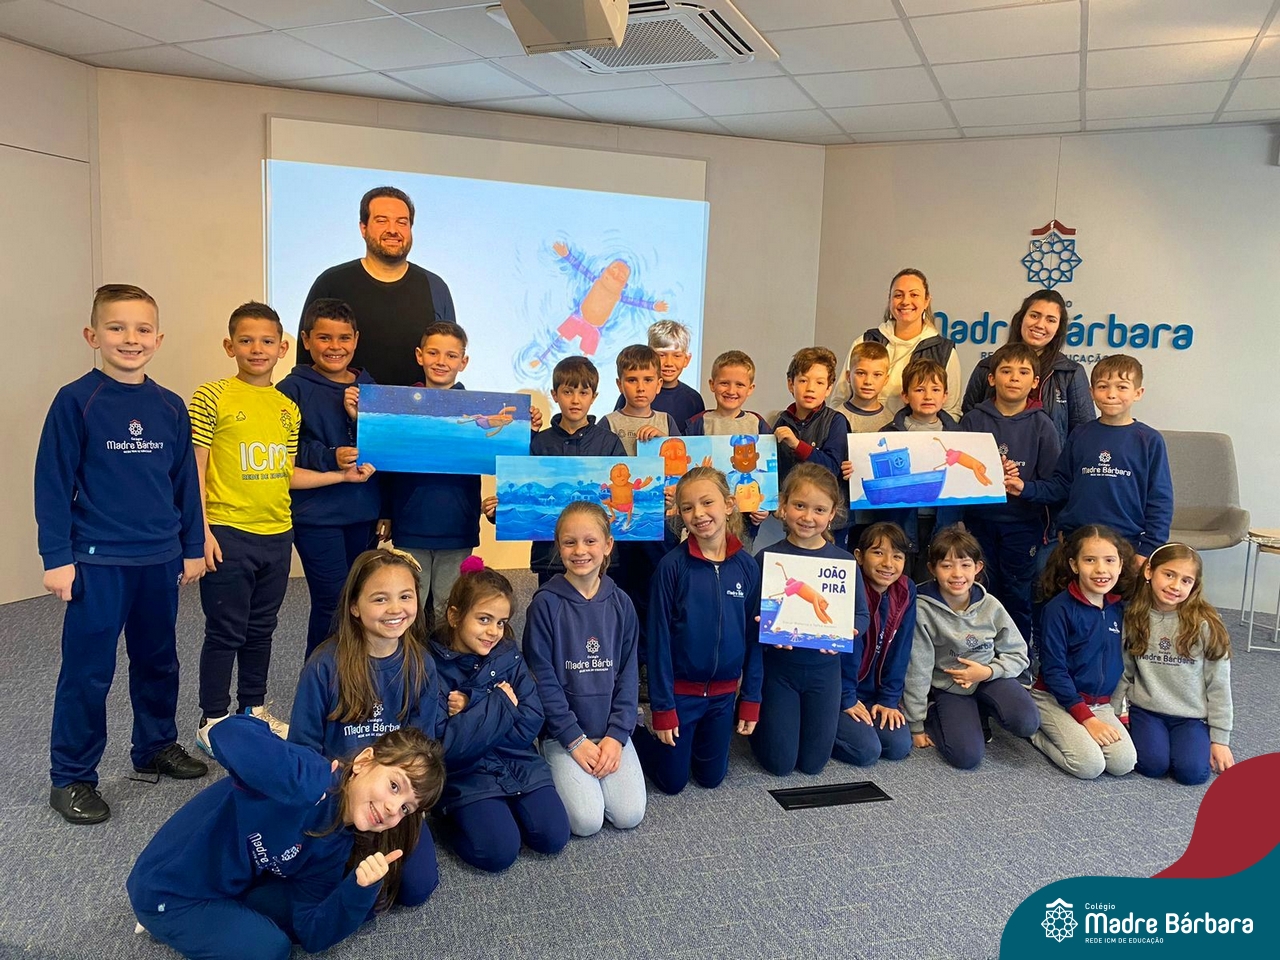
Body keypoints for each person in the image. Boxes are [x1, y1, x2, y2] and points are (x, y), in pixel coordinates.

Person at [37, 284, 208, 825]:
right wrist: (56, 557)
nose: (130, 339)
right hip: (97, 560)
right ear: (93, 336)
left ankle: (154, 745)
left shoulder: (170, 405)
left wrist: (192, 547)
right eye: (116, 328)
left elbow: (185, 484)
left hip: (159, 558)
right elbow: (52, 482)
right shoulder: (75, 400)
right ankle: (71, 775)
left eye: (141, 329)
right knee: (88, 671)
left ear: (158, 339)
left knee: (159, 660)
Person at [193, 302, 374, 755]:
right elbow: (195, 469)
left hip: (278, 531)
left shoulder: (284, 407)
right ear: (229, 346)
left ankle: (252, 709)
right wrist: (200, 530)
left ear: (282, 347)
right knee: (226, 630)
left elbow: (287, 472)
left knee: (262, 628)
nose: (257, 349)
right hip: (228, 530)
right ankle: (213, 720)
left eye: (267, 341)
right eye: (247, 340)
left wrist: (340, 476)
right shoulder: (212, 396)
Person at [128, 714, 445, 960]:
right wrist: (297, 777)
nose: (392, 809)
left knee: (290, 923)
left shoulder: (337, 842)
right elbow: (225, 732)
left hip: (231, 883)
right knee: (271, 949)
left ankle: (213, 923)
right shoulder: (309, 774)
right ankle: (164, 923)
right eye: (394, 785)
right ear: (363, 762)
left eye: (406, 808)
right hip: (168, 888)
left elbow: (313, 933)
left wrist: (358, 890)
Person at [289, 549, 445, 906]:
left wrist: (405, 805)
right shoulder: (324, 665)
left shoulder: (421, 664)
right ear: (355, 607)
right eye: (380, 599)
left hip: (393, 798)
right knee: (328, 886)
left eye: (405, 597)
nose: (395, 609)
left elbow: (423, 746)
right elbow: (303, 748)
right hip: (338, 797)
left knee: (415, 887)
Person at [431, 561, 570, 872]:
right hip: (467, 775)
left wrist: (475, 705)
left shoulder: (508, 654)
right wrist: (502, 703)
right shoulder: (432, 667)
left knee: (553, 836)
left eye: (501, 622)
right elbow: (447, 747)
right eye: (484, 619)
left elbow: (530, 723)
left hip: (520, 763)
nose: (493, 631)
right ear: (454, 616)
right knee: (498, 853)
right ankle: (447, 818)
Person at [634, 467, 762, 794]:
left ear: (729, 505)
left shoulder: (747, 567)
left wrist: (750, 698)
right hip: (680, 695)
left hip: (723, 697)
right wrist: (662, 708)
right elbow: (658, 642)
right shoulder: (671, 568)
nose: (699, 514)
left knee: (710, 778)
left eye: (707, 503)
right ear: (680, 514)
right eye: (688, 507)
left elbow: (754, 638)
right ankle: (635, 733)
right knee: (672, 783)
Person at [522, 502, 646, 837]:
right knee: (586, 821)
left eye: (590, 541)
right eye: (569, 542)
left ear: (608, 545)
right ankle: (551, 758)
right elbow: (542, 680)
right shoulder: (544, 605)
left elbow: (628, 675)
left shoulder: (622, 604)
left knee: (629, 814)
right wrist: (573, 740)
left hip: (609, 731)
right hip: (563, 734)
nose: (580, 551)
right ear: (558, 546)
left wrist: (617, 736)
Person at [277, 298, 382, 658]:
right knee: (332, 602)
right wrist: (329, 457)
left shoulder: (371, 388)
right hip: (316, 514)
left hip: (363, 512)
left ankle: (354, 676)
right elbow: (284, 450)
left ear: (356, 340)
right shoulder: (291, 390)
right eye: (324, 338)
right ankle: (319, 679)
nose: (335, 347)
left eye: (343, 338)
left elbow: (385, 449)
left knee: (362, 601)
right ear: (306, 340)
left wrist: (385, 509)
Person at [750, 464, 868, 776]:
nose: (807, 517)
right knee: (780, 765)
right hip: (779, 670)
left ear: (832, 514)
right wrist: (762, 625)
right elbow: (752, 614)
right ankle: (759, 722)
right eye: (799, 506)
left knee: (813, 765)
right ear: (783, 506)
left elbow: (862, 615)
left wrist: (850, 631)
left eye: (819, 510)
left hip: (825, 673)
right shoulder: (766, 558)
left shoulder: (844, 562)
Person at [1006, 354, 1172, 568]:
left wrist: (1148, 548)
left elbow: (1160, 500)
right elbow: (1061, 485)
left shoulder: (1149, 440)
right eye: (1103, 387)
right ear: (1091, 392)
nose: (1111, 394)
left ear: (1138, 393)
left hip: (1125, 544)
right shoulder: (1080, 434)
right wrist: (1025, 488)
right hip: (1076, 540)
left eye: (1122, 387)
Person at [904, 527, 1039, 770]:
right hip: (950, 687)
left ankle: (982, 710)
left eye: (965, 565)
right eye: (946, 566)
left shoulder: (991, 605)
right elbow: (918, 670)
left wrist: (987, 671)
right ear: (932, 568)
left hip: (988, 678)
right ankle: (939, 714)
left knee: (1027, 722)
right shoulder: (922, 610)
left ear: (977, 568)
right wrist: (916, 724)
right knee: (966, 757)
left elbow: (1019, 654)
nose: (957, 574)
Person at [298, 186, 455, 387]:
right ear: (363, 228)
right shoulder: (331, 283)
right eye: (381, 221)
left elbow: (450, 360)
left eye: (402, 222)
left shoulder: (435, 288)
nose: (393, 230)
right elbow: (305, 368)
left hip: (417, 407)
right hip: (341, 406)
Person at [959, 341, 1060, 647]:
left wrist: (1024, 488)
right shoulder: (973, 420)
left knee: (1017, 593)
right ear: (991, 378)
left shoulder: (1042, 425)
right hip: (978, 524)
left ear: (1035, 382)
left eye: (1023, 372)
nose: (1014, 378)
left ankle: (1017, 656)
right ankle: (980, 651)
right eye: (1006, 371)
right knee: (979, 590)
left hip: (1022, 526)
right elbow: (957, 476)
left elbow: (1056, 486)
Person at [384, 321, 484, 618]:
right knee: (407, 607)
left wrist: (526, 425)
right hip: (410, 524)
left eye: (451, 355)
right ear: (419, 355)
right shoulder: (399, 407)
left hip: (457, 526)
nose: (441, 361)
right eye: (433, 353)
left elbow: (503, 449)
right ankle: (410, 653)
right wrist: (386, 511)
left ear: (463, 362)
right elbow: (386, 463)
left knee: (448, 608)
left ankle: (444, 652)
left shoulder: (479, 411)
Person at [1113, 543, 1234, 785]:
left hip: (1190, 716)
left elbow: (1219, 684)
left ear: (1194, 585)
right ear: (1149, 571)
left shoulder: (1205, 624)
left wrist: (1220, 740)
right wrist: (1113, 714)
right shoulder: (1133, 617)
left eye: (1186, 580)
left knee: (1192, 773)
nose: (1176, 586)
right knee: (1152, 765)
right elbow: (1124, 671)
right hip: (1147, 710)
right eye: (1169, 575)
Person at [1030, 525, 1138, 780]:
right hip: (1056, 699)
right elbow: (1054, 671)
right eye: (1090, 560)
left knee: (1124, 763)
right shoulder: (1058, 610)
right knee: (1089, 766)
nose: (1101, 569)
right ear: (1074, 565)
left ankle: (1079, 729)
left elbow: (1121, 664)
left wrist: (1108, 713)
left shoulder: (1118, 609)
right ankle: (1035, 733)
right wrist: (1086, 719)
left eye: (1109, 560)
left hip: (1100, 704)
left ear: (1120, 565)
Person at [525, 356, 625, 585]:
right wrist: (497, 513)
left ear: (594, 397)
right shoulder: (540, 443)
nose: (575, 400)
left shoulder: (609, 443)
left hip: (597, 556)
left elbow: (621, 493)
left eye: (583, 392)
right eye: (568, 392)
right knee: (551, 603)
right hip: (550, 555)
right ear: (555, 395)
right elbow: (526, 491)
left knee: (597, 604)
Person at [960, 289, 1092, 447]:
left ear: (1059, 328)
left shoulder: (1070, 373)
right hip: (989, 461)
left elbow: (1084, 434)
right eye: (1034, 316)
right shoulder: (986, 366)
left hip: (1051, 462)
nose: (1040, 325)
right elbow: (967, 426)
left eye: (1051, 320)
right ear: (1021, 318)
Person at [832, 522, 916, 767]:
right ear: (859, 556)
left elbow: (901, 649)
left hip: (873, 693)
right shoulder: (848, 586)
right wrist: (846, 698)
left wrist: (889, 699)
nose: (888, 563)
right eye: (878, 553)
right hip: (839, 690)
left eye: (897, 556)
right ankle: (812, 724)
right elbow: (844, 653)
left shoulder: (906, 590)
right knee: (866, 752)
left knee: (898, 745)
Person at [833, 268, 961, 419]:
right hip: (862, 432)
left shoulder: (944, 351)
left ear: (926, 301)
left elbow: (951, 411)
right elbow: (839, 399)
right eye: (898, 295)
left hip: (917, 433)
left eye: (914, 295)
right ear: (890, 300)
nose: (905, 301)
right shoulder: (865, 341)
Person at [880, 357, 962, 582]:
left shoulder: (961, 435)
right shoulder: (888, 434)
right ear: (905, 396)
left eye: (935, 389)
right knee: (900, 584)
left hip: (942, 523)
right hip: (900, 522)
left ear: (945, 396)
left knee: (933, 585)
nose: (928, 396)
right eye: (919, 389)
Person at [614, 319, 705, 427]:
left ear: (686, 360)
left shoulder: (693, 399)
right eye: (661, 355)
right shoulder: (633, 395)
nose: (669, 363)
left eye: (677, 356)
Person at [604, 343, 681, 453]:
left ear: (658, 385)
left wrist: (663, 440)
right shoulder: (608, 423)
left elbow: (681, 456)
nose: (640, 388)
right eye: (632, 380)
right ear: (620, 385)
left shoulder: (667, 421)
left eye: (648, 380)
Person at [683, 349, 771, 436]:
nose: (731, 391)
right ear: (712, 385)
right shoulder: (697, 423)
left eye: (739, 385)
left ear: (750, 389)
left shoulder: (757, 423)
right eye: (724, 383)